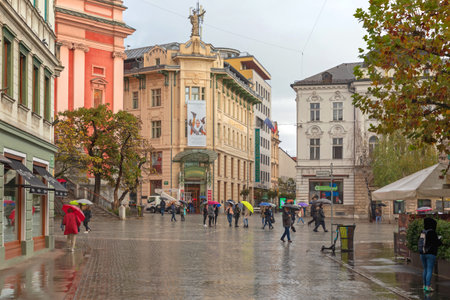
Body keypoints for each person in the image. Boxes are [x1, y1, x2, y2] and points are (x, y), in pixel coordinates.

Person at [420, 218, 442, 292]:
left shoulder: (423, 232)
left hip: (422, 253)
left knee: (425, 269)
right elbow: (437, 243)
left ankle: (424, 285)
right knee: (429, 270)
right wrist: (439, 240)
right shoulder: (432, 232)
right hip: (431, 254)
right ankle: (428, 286)